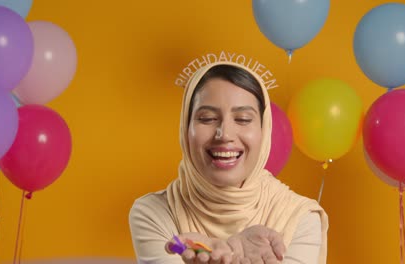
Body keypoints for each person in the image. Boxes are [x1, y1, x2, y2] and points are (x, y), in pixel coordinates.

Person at [129, 56, 328, 264]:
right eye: (207, 118)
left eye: (243, 119)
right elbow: (172, 250)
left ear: (265, 130)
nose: (224, 134)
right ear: (185, 129)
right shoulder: (154, 213)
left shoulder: (298, 217)